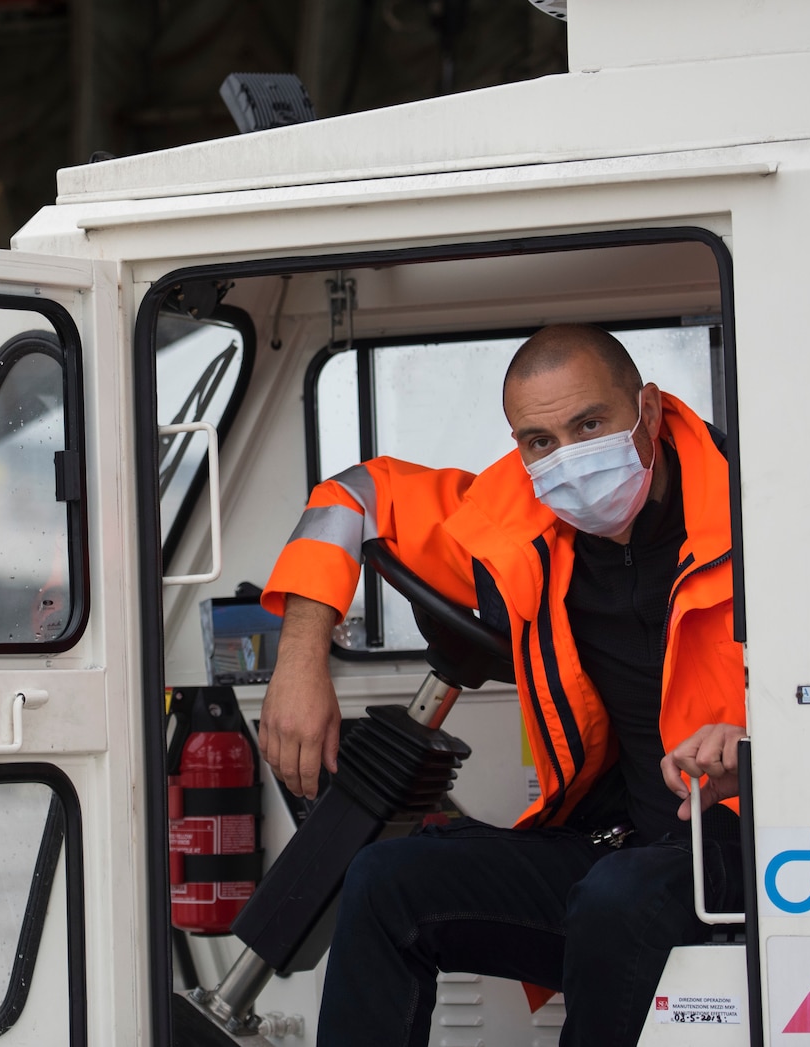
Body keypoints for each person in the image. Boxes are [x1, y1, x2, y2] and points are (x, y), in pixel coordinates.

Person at [257, 324, 745, 1047]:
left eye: (589, 423)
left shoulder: (762, 501)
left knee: (618, 899)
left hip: (758, 849)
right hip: (619, 843)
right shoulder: (514, 519)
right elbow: (355, 494)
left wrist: (760, 742)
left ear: (645, 409)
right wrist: (299, 657)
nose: (568, 459)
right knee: (387, 878)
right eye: (539, 440)